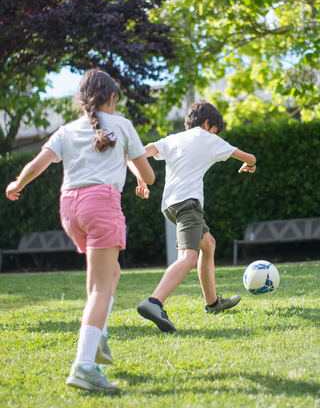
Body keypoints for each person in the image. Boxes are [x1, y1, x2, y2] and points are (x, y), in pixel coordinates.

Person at [5, 69, 155, 392]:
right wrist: (142, 177)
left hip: (70, 209)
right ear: (111, 98)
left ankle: (97, 334)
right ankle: (85, 365)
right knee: (103, 286)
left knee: (108, 272)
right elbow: (150, 175)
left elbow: (37, 165)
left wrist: (17, 184)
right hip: (101, 205)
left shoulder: (68, 129)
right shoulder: (123, 125)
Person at [135, 100, 256, 333]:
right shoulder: (210, 139)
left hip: (170, 205)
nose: (214, 134)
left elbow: (141, 153)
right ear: (208, 123)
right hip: (188, 204)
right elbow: (249, 157)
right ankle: (154, 302)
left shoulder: (172, 139)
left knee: (208, 244)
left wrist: (141, 179)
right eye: (214, 130)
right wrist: (248, 165)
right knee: (189, 258)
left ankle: (212, 303)